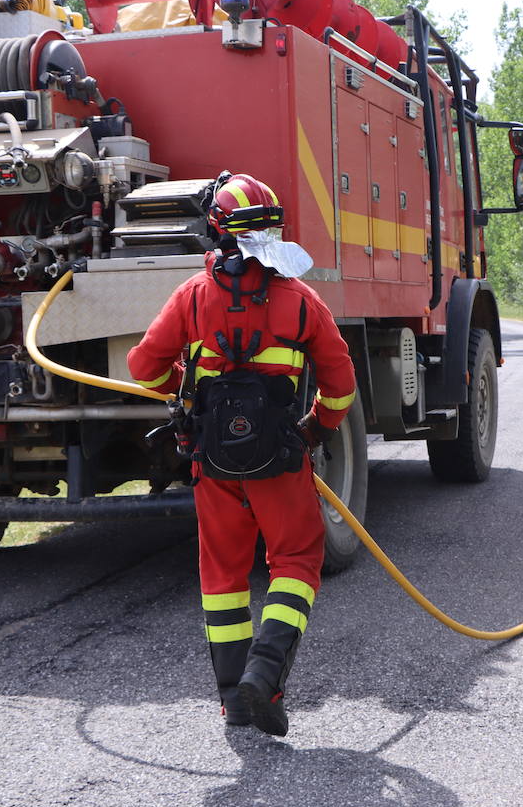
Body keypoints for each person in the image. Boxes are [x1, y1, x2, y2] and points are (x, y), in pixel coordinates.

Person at [128, 172, 356, 737]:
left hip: (214, 464)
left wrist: (180, 385)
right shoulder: (301, 301)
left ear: (217, 232)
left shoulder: (192, 297)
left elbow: (142, 368)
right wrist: (314, 430)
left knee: (222, 574)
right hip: (280, 461)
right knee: (297, 563)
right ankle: (265, 675)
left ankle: (234, 700)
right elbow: (342, 384)